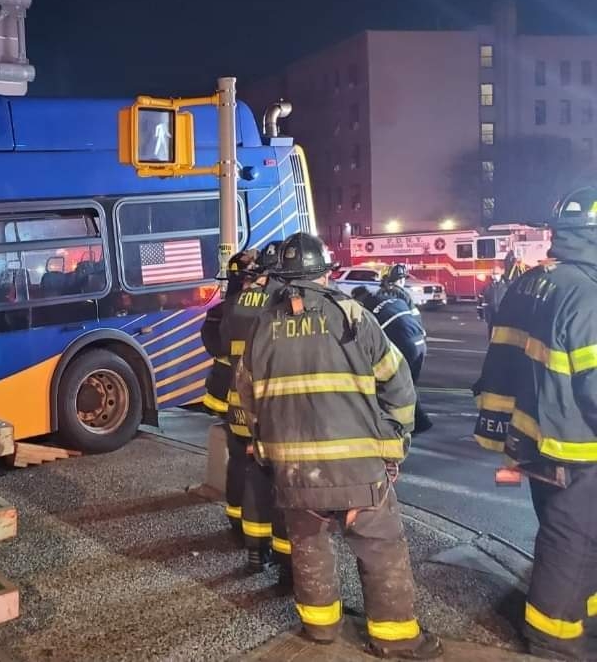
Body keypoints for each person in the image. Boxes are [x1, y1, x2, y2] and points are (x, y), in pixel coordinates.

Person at [236, 232, 441, 659]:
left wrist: (267, 450)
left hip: (293, 470)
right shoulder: (353, 317)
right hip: (357, 470)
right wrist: (394, 443)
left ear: (281, 278)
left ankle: (321, 629)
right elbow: (398, 384)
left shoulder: (263, 328)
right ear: (325, 273)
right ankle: (395, 636)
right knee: (380, 546)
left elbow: (247, 397)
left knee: (308, 544)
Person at [472, 186, 597, 660]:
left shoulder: (533, 282)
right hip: (578, 448)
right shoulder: (588, 295)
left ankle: (580, 618)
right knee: (574, 542)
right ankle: (557, 641)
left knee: (568, 536)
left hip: (535, 439)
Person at [221, 242, 290, 578]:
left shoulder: (236, 302)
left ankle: (253, 548)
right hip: (272, 410)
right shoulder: (282, 303)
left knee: (249, 472)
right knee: (280, 482)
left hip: (239, 404)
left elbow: (222, 346)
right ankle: (283, 555)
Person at [200, 249, 261, 532]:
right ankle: (258, 537)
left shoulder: (226, 311)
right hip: (262, 407)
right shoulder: (270, 307)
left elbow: (218, 350)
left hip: (234, 404)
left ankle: (238, 524)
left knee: (238, 462)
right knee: (262, 471)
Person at [362, 264, 434, 434]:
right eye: (400, 279)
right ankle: (414, 422)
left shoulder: (379, 297)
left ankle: (410, 424)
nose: (402, 281)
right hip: (416, 341)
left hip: (402, 343)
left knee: (398, 385)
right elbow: (415, 319)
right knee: (407, 384)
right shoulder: (401, 295)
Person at [479, 269, 509, 339]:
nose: (496, 275)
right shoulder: (487, 287)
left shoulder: (506, 286)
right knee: (491, 330)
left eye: (497, 273)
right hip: (490, 313)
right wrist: (482, 315)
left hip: (502, 313)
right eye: (494, 274)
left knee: (502, 330)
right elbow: (481, 302)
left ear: (501, 274)